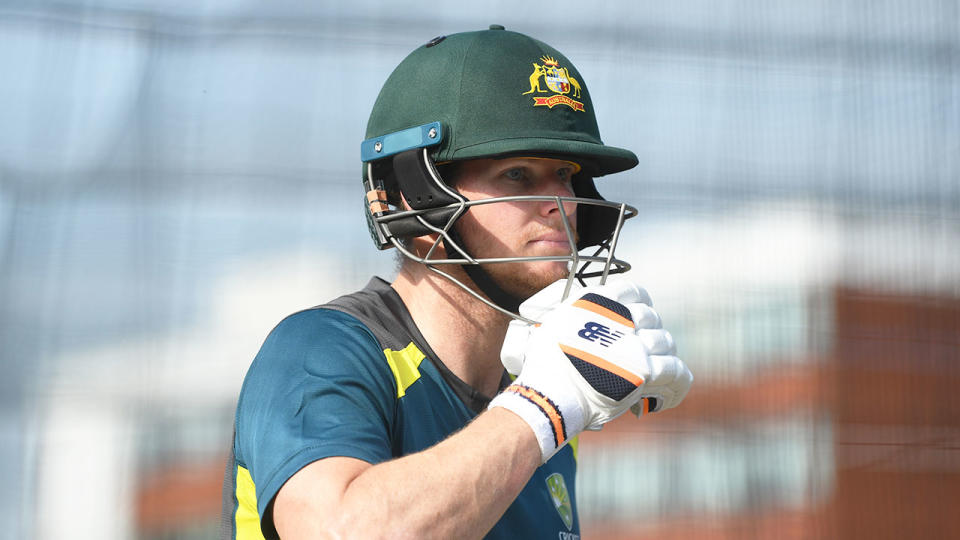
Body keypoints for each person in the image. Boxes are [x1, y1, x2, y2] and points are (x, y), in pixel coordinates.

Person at [222, 25, 693, 540]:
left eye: (564, 174)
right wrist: (546, 406)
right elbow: (336, 531)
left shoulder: (543, 396)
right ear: (416, 200)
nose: (562, 204)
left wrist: (548, 404)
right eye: (518, 174)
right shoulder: (320, 349)